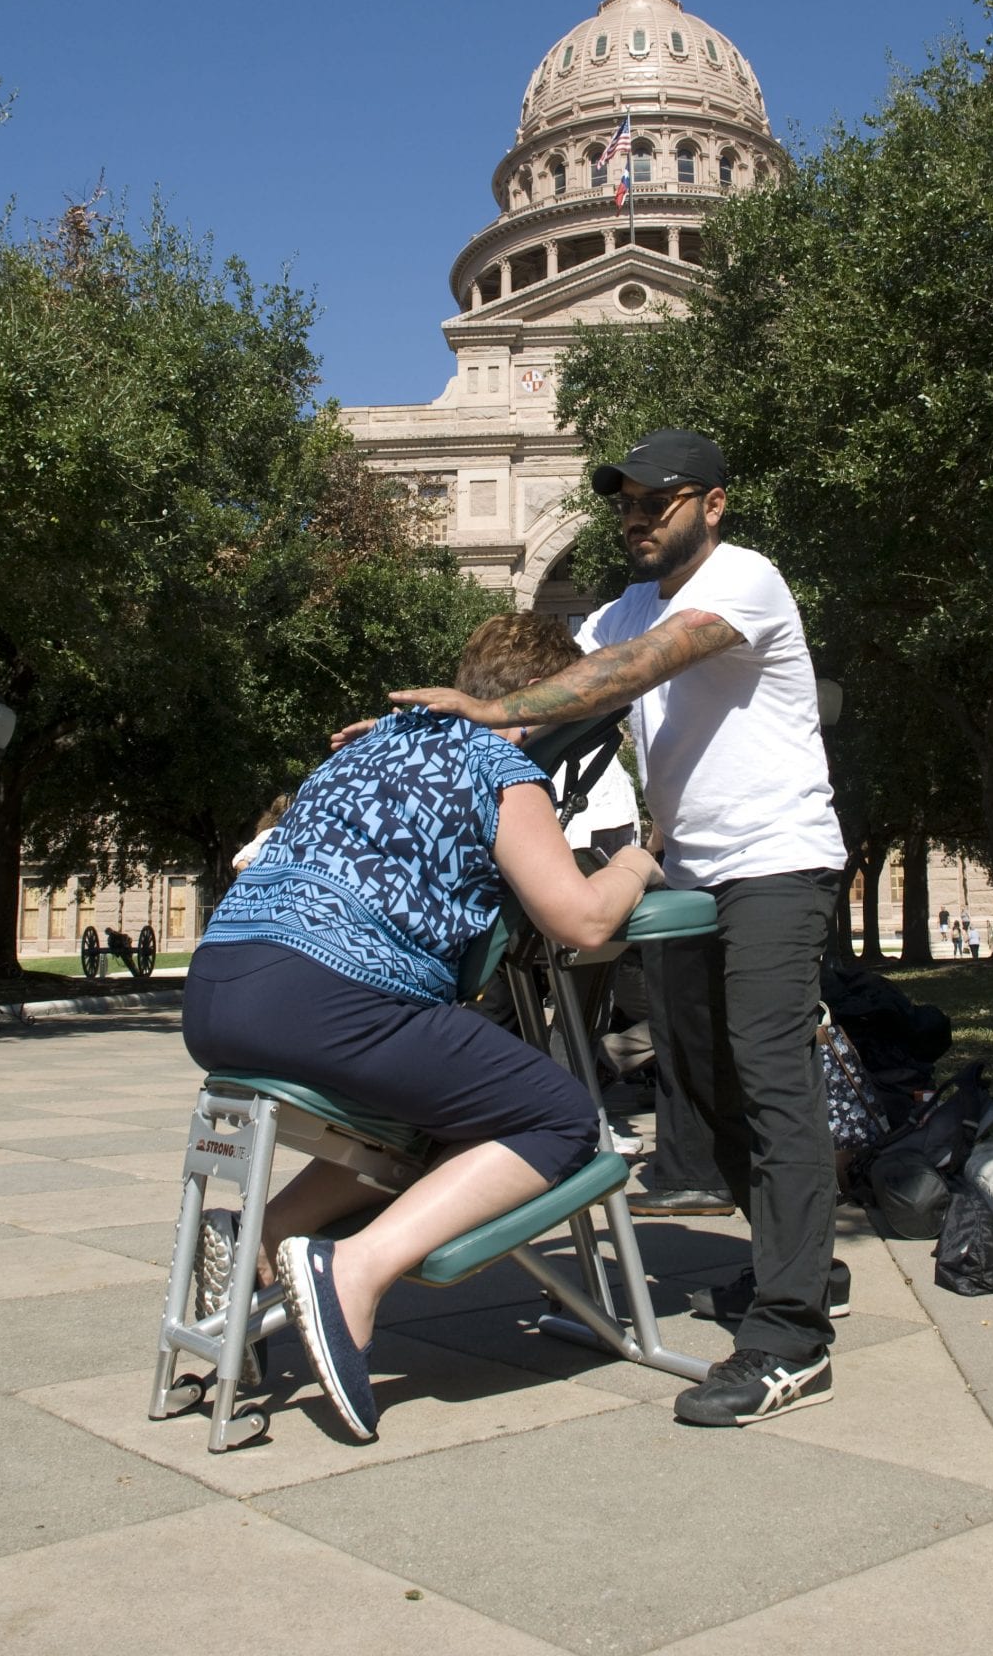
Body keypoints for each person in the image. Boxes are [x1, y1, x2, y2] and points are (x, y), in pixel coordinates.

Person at [388, 428, 848, 1429]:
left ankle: (790, 1334)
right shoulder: (623, 605)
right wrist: (419, 737)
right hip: (687, 870)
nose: (637, 517)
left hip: (777, 858)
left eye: (660, 499)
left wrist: (484, 706)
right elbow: (539, 702)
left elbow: (632, 670)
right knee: (707, 1083)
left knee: (771, 1074)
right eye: (626, 502)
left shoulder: (746, 579)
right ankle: (797, 1261)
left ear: (713, 503)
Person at [182, 612, 664, 1442]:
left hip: (218, 992)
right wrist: (635, 861)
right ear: (550, 701)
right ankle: (353, 1272)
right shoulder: (499, 765)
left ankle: (264, 1238)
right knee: (555, 1116)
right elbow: (580, 922)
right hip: (327, 998)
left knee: (434, 1124)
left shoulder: (361, 747)